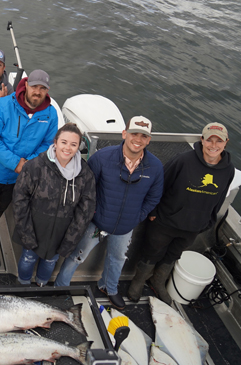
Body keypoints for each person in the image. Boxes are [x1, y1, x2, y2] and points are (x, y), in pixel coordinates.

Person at [54, 116, 164, 310]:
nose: (137, 139)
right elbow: (86, 188)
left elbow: (153, 198)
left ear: (148, 140)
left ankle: (109, 287)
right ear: (124, 134)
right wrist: (93, 213)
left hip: (125, 227)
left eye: (143, 136)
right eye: (134, 134)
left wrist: (136, 217)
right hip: (96, 222)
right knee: (77, 255)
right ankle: (59, 287)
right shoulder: (102, 157)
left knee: (118, 258)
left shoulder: (155, 167)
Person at [128, 122, 235, 304]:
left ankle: (158, 281)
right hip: (165, 222)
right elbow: (160, 184)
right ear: (202, 140)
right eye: (210, 140)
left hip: (193, 228)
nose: (214, 145)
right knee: (151, 252)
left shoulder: (228, 170)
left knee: (173, 255)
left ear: (226, 143)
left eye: (219, 141)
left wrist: (208, 221)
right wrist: (153, 211)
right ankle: (138, 281)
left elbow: (220, 198)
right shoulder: (183, 160)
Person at [0, 69, 60, 267]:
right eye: (34, 87)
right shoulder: (3, 105)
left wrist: (27, 164)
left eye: (43, 88)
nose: (37, 92)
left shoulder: (50, 114)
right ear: (26, 86)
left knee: (1, 208)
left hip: (19, 178)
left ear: (47, 91)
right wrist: (16, 163)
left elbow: (48, 145)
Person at [12, 123, 96, 286]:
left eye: (73, 144)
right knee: (28, 259)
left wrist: (70, 240)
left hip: (61, 234)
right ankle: (23, 284)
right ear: (55, 142)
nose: (68, 148)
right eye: (64, 142)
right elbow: (19, 200)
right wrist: (26, 234)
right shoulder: (34, 166)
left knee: (50, 262)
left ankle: (42, 285)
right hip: (34, 230)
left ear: (78, 147)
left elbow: (85, 209)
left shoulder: (85, 174)